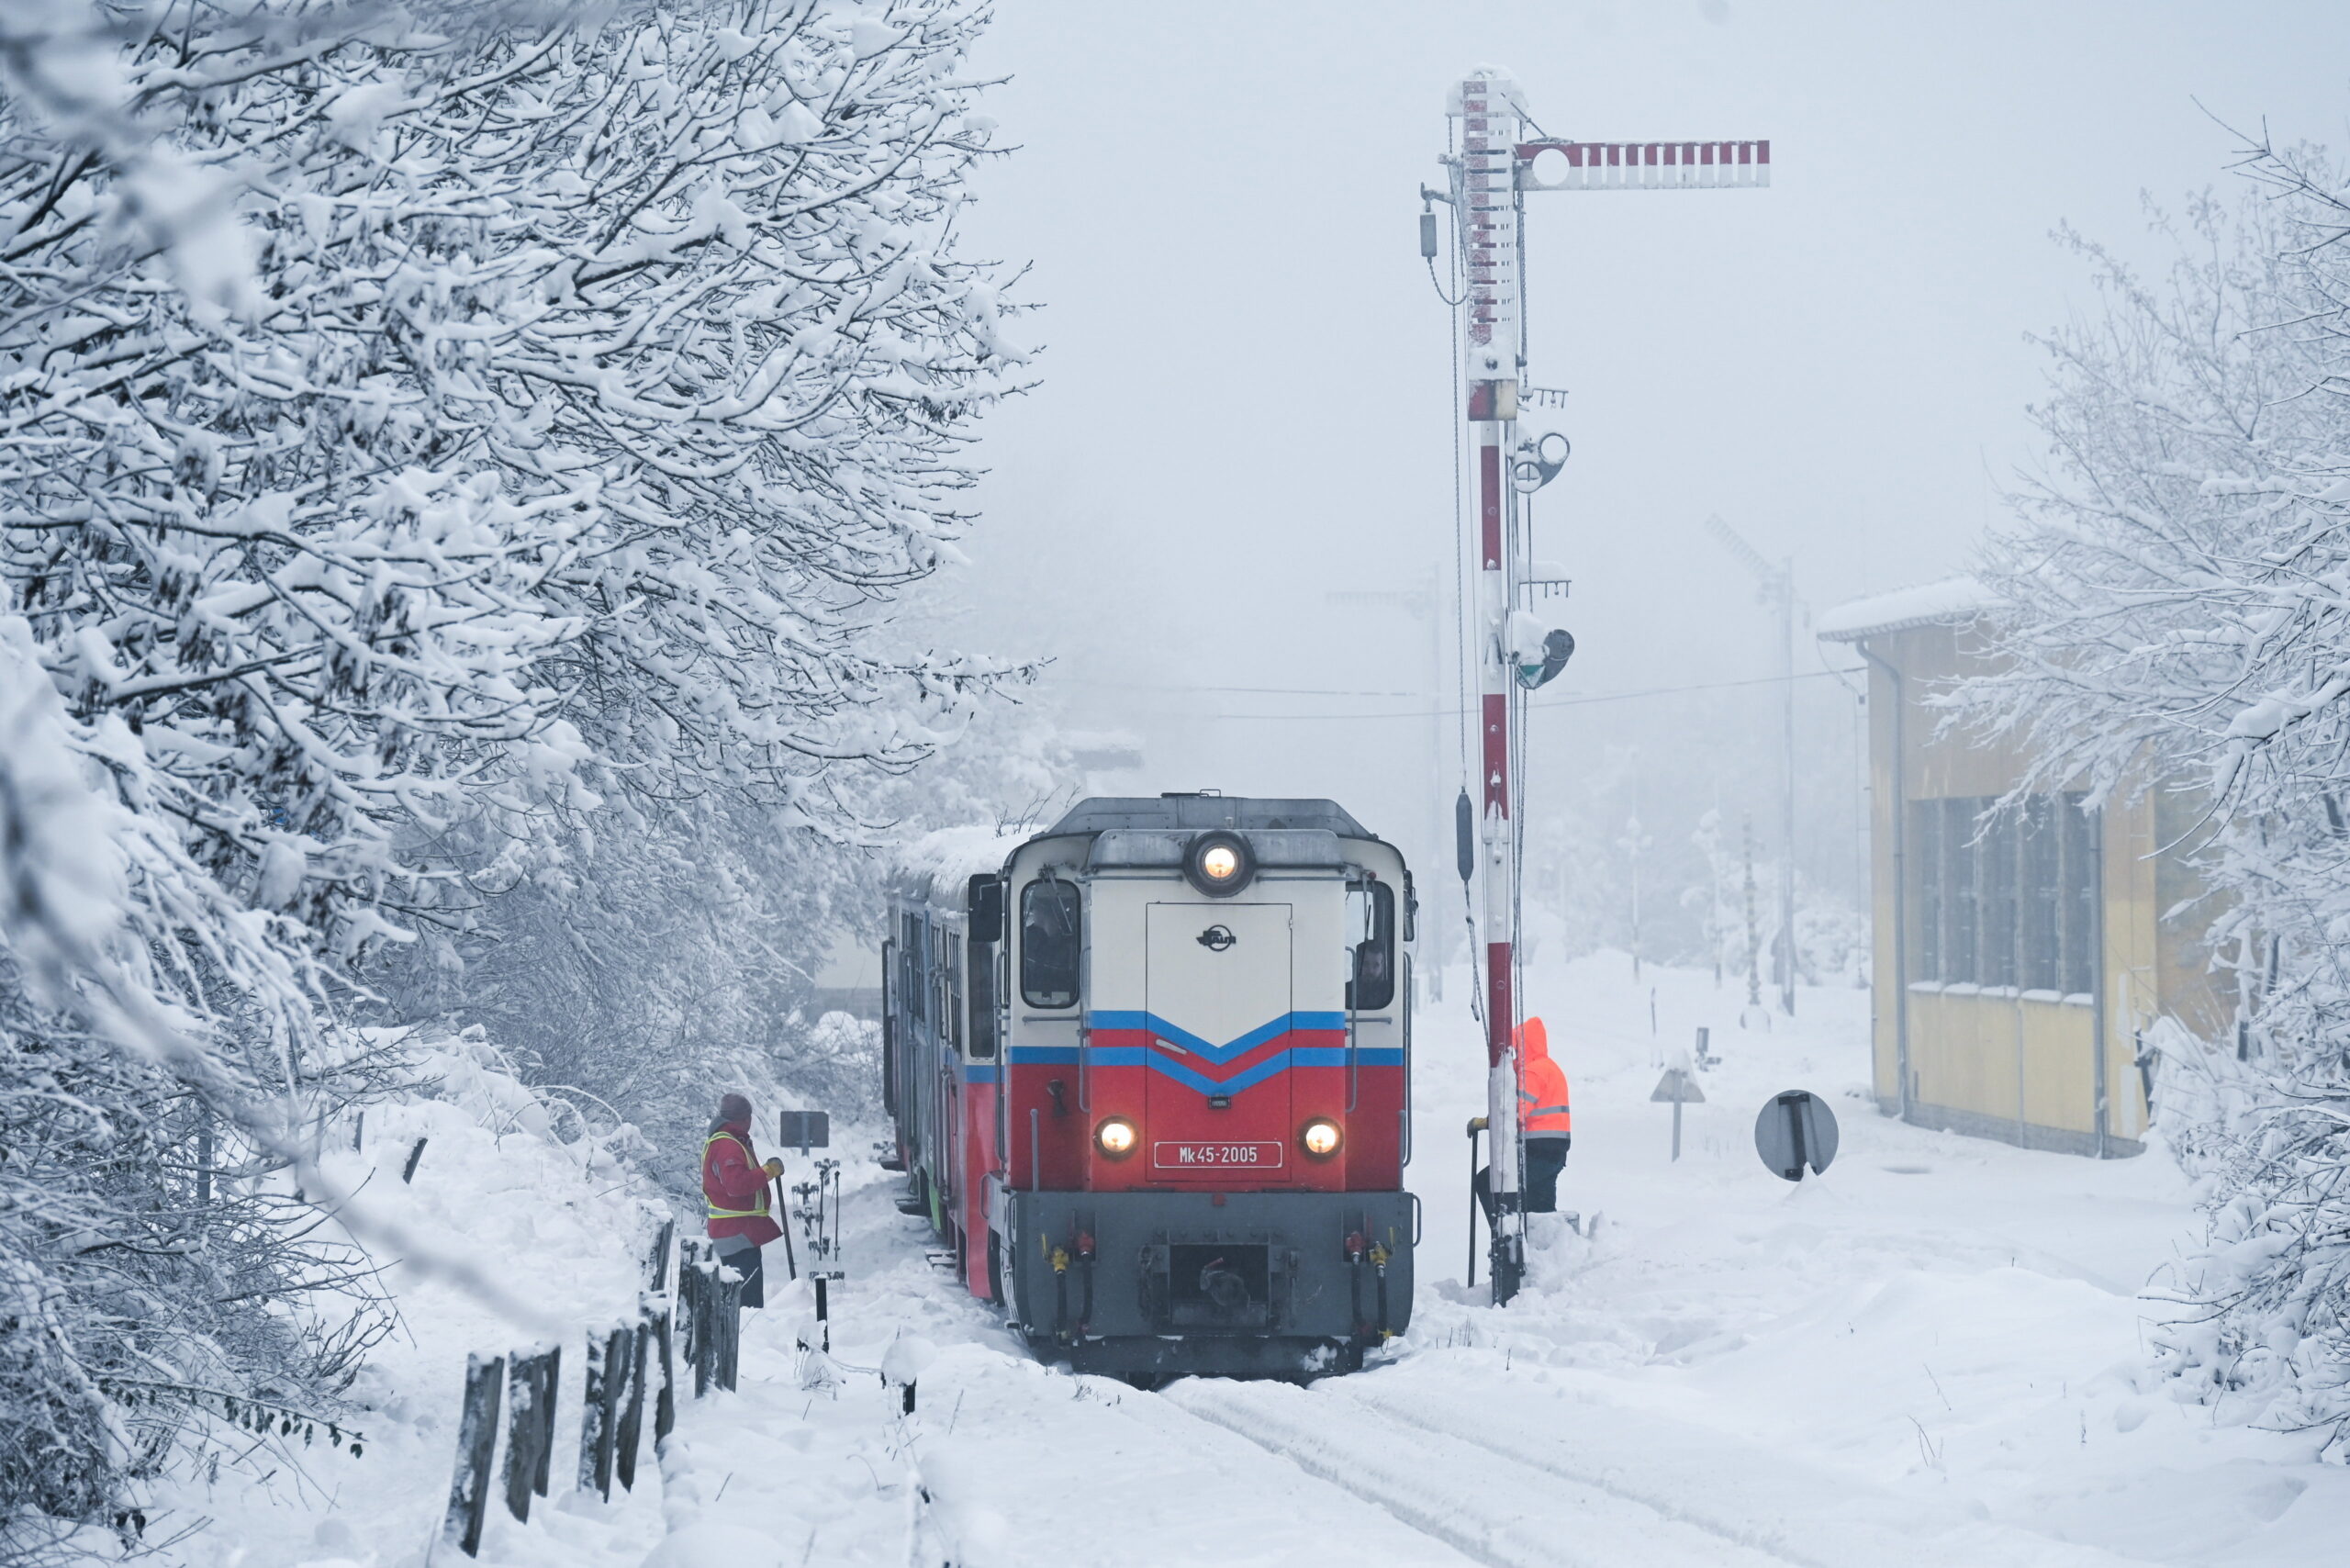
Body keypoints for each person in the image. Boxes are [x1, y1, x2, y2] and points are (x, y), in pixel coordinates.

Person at [1470, 1016, 1573, 1222]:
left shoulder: (1533, 1072)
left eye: (1516, 1048)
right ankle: (1546, 1248)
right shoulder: (1550, 1067)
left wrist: (1487, 1122)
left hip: (1538, 1152)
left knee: (1486, 1183)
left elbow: (1515, 1112)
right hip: (1553, 1152)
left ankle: (1505, 1235)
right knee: (1540, 1209)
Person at [702, 1092, 784, 1307]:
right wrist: (767, 1171)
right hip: (736, 1234)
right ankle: (745, 1336)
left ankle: (744, 1333)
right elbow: (736, 1185)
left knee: (740, 1296)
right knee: (746, 1302)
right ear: (744, 1118)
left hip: (736, 1232)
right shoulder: (728, 1145)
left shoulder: (728, 1141)